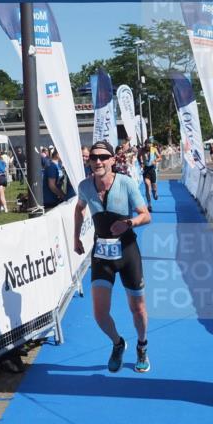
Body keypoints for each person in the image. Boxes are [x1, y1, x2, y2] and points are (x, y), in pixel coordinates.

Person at [73, 140, 152, 373]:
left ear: (112, 160)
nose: (98, 161)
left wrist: (129, 223)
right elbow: (79, 208)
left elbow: (145, 215)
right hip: (101, 254)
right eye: (94, 157)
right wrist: (75, 237)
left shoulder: (126, 183)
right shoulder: (85, 186)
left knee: (137, 309)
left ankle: (142, 345)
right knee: (99, 313)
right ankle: (118, 343)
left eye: (103, 157)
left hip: (127, 252)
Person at [139, 138, 161, 204]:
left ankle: (155, 193)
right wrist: (141, 163)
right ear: (145, 144)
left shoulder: (153, 149)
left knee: (154, 186)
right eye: (147, 144)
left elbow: (159, 157)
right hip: (146, 169)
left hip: (152, 169)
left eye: (149, 144)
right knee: (147, 186)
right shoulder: (142, 150)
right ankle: (149, 204)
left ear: (151, 144)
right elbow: (138, 157)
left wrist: (155, 161)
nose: (148, 145)